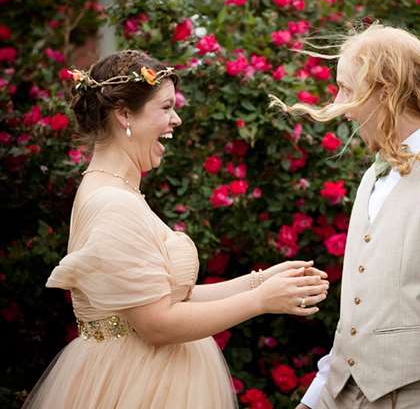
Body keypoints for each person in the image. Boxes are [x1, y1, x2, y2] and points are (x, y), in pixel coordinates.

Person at [23, 50, 329, 409]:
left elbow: (163, 297)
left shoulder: (117, 192)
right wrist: (260, 301)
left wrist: (258, 282)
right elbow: (157, 324)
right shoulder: (113, 204)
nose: (177, 119)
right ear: (124, 115)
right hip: (136, 385)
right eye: (166, 107)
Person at [272, 23, 420, 408]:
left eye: (345, 88)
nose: (337, 103)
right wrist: (316, 397)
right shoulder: (375, 174)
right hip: (341, 392)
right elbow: (359, 316)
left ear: (385, 92)